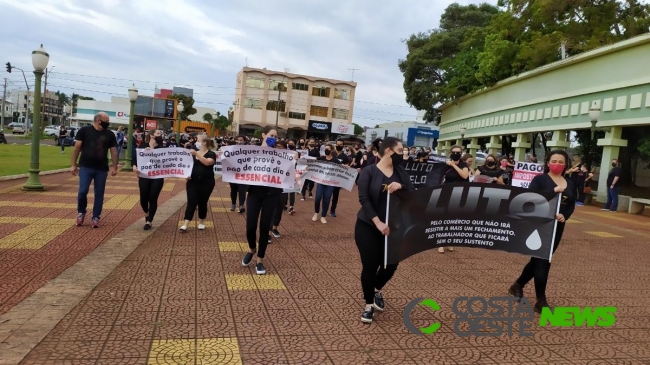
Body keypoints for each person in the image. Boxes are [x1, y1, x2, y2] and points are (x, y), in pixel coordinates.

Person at [355, 137, 415, 323]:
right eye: (400, 150)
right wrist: (378, 222)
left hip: (394, 228)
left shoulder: (400, 172)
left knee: (391, 265)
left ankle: (375, 289)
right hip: (368, 226)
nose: (403, 154)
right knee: (370, 266)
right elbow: (364, 199)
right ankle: (368, 304)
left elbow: (412, 193)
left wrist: (402, 187)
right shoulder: (368, 171)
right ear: (389, 151)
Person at [508, 149, 575, 313]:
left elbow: (571, 204)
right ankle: (541, 300)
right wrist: (553, 191)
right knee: (543, 261)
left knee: (538, 260)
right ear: (547, 163)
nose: (557, 164)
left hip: (557, 227)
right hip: (539, 225)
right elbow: (531, 199)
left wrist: (564, 216)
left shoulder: (570, 183)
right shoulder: (540, 180)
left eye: (561, 162)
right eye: (554, 161)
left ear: (566, 164)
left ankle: (517, 285)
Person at [241, 126, 283, 275]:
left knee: (265, 228)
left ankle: (260, 260)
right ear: (264, 135)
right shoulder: (252, 152)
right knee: (250, 227)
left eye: (276, 136)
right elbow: (239, 162)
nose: (274, 138)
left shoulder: (280, 154)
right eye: (272, 135)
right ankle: (252, 249)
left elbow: (287, 168)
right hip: (254, 193)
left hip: (271, 195)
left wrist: (295, 158)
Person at [70, 112, 119, 228]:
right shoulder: (84, 131)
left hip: (101, 168)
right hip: (86, 166)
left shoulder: (110, 134)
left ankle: (96, 216)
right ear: (98, 120)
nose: (108, 124)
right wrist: (73, 165)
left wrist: (115, 167)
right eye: (106, 122)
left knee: (99, 193)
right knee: (82, 191)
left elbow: (113, 151)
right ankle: (81, 212)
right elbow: (77, 148)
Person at [179, 133, 217, 232]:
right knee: (191, 201)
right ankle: (185, 223)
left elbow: (207, 162)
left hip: (207, 183)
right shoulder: (192, 153)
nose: (197, 142)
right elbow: (186, 165)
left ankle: (201, 222)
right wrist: (186, 175)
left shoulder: (211, 154)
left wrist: (197, 154)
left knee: (202, 202)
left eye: (198, 140)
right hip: (193, 182)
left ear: (204, 142)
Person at [132, 129, 166, 230]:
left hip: (157, 176)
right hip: (144, 176)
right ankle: (147, 213)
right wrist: (134, 167)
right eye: (158, 134)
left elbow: (165, 161)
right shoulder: (142, 146)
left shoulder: (162, 148)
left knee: (153, 198)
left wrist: (153, 152)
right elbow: (135, 158)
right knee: (143, 199)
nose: (160, 135)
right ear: (152, 135)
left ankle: (149, 221)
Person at [439, 144, 469, 253]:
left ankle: (450, 241)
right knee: (444, 217)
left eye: (458, 152)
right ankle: (441, 242)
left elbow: (464, 176)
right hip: (446, 193)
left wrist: (453, 165)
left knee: (454, 218)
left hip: (460, 193)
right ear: (450, 153)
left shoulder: (463, 164)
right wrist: (448, 164)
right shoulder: (445, 164)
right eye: (454, 152)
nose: (456, 154)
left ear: (461, 154)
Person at [313, 143, 341, 224]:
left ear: (332, 150)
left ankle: (323, 216)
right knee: (318, 197)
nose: (326, 150)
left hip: (330, 183)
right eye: (325, 148)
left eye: (328, 149)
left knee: (327, 199)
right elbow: (312, 161)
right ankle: (316, 213)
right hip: (321, 182)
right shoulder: (321, 158)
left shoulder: (335, 160)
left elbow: (342, 168)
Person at [229, 135, 248, 213]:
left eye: (241, 140)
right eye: (238, 140)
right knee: (233, 190)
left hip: (243, 174)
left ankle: (241, 206)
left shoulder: (248, 150)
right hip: (233, 173)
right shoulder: (231, 149)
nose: (239, 142)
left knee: (242, 190)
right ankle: (233, 204)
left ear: (244, 141)